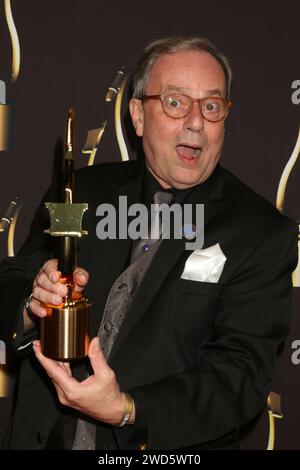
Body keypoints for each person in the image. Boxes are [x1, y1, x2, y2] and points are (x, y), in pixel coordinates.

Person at [0, 36, 298, 450]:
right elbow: (13, 278)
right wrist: (34, 301)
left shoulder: (261, 233)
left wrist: (127, 408)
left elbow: (239, 378)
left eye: (211, 106)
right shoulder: (81, 190)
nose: (196, 122)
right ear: (138, 115)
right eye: (176, 102)